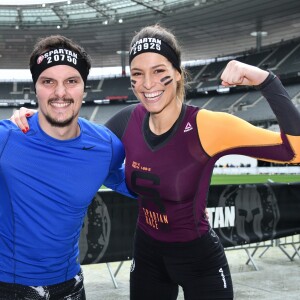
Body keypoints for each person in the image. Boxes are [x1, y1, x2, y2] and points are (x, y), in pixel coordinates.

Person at [11, 24, 300, 300]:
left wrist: (265, 80)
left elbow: (294, 151)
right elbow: (81, 149)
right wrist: (34, 120)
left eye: (158, 71)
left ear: (177, 73)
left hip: (199, 259)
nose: (147, 84)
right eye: (138, 74)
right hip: (147, 255)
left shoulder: (207, 125)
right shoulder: (127, 120)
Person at [0, 35, 135, 300]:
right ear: (35, 87)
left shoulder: (106, 145)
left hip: (70, 287)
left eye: (71, 81)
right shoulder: (6, 138)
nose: (60, 93)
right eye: (48, 81)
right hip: (7, 287)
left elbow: (136, 184)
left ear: (84, 87)